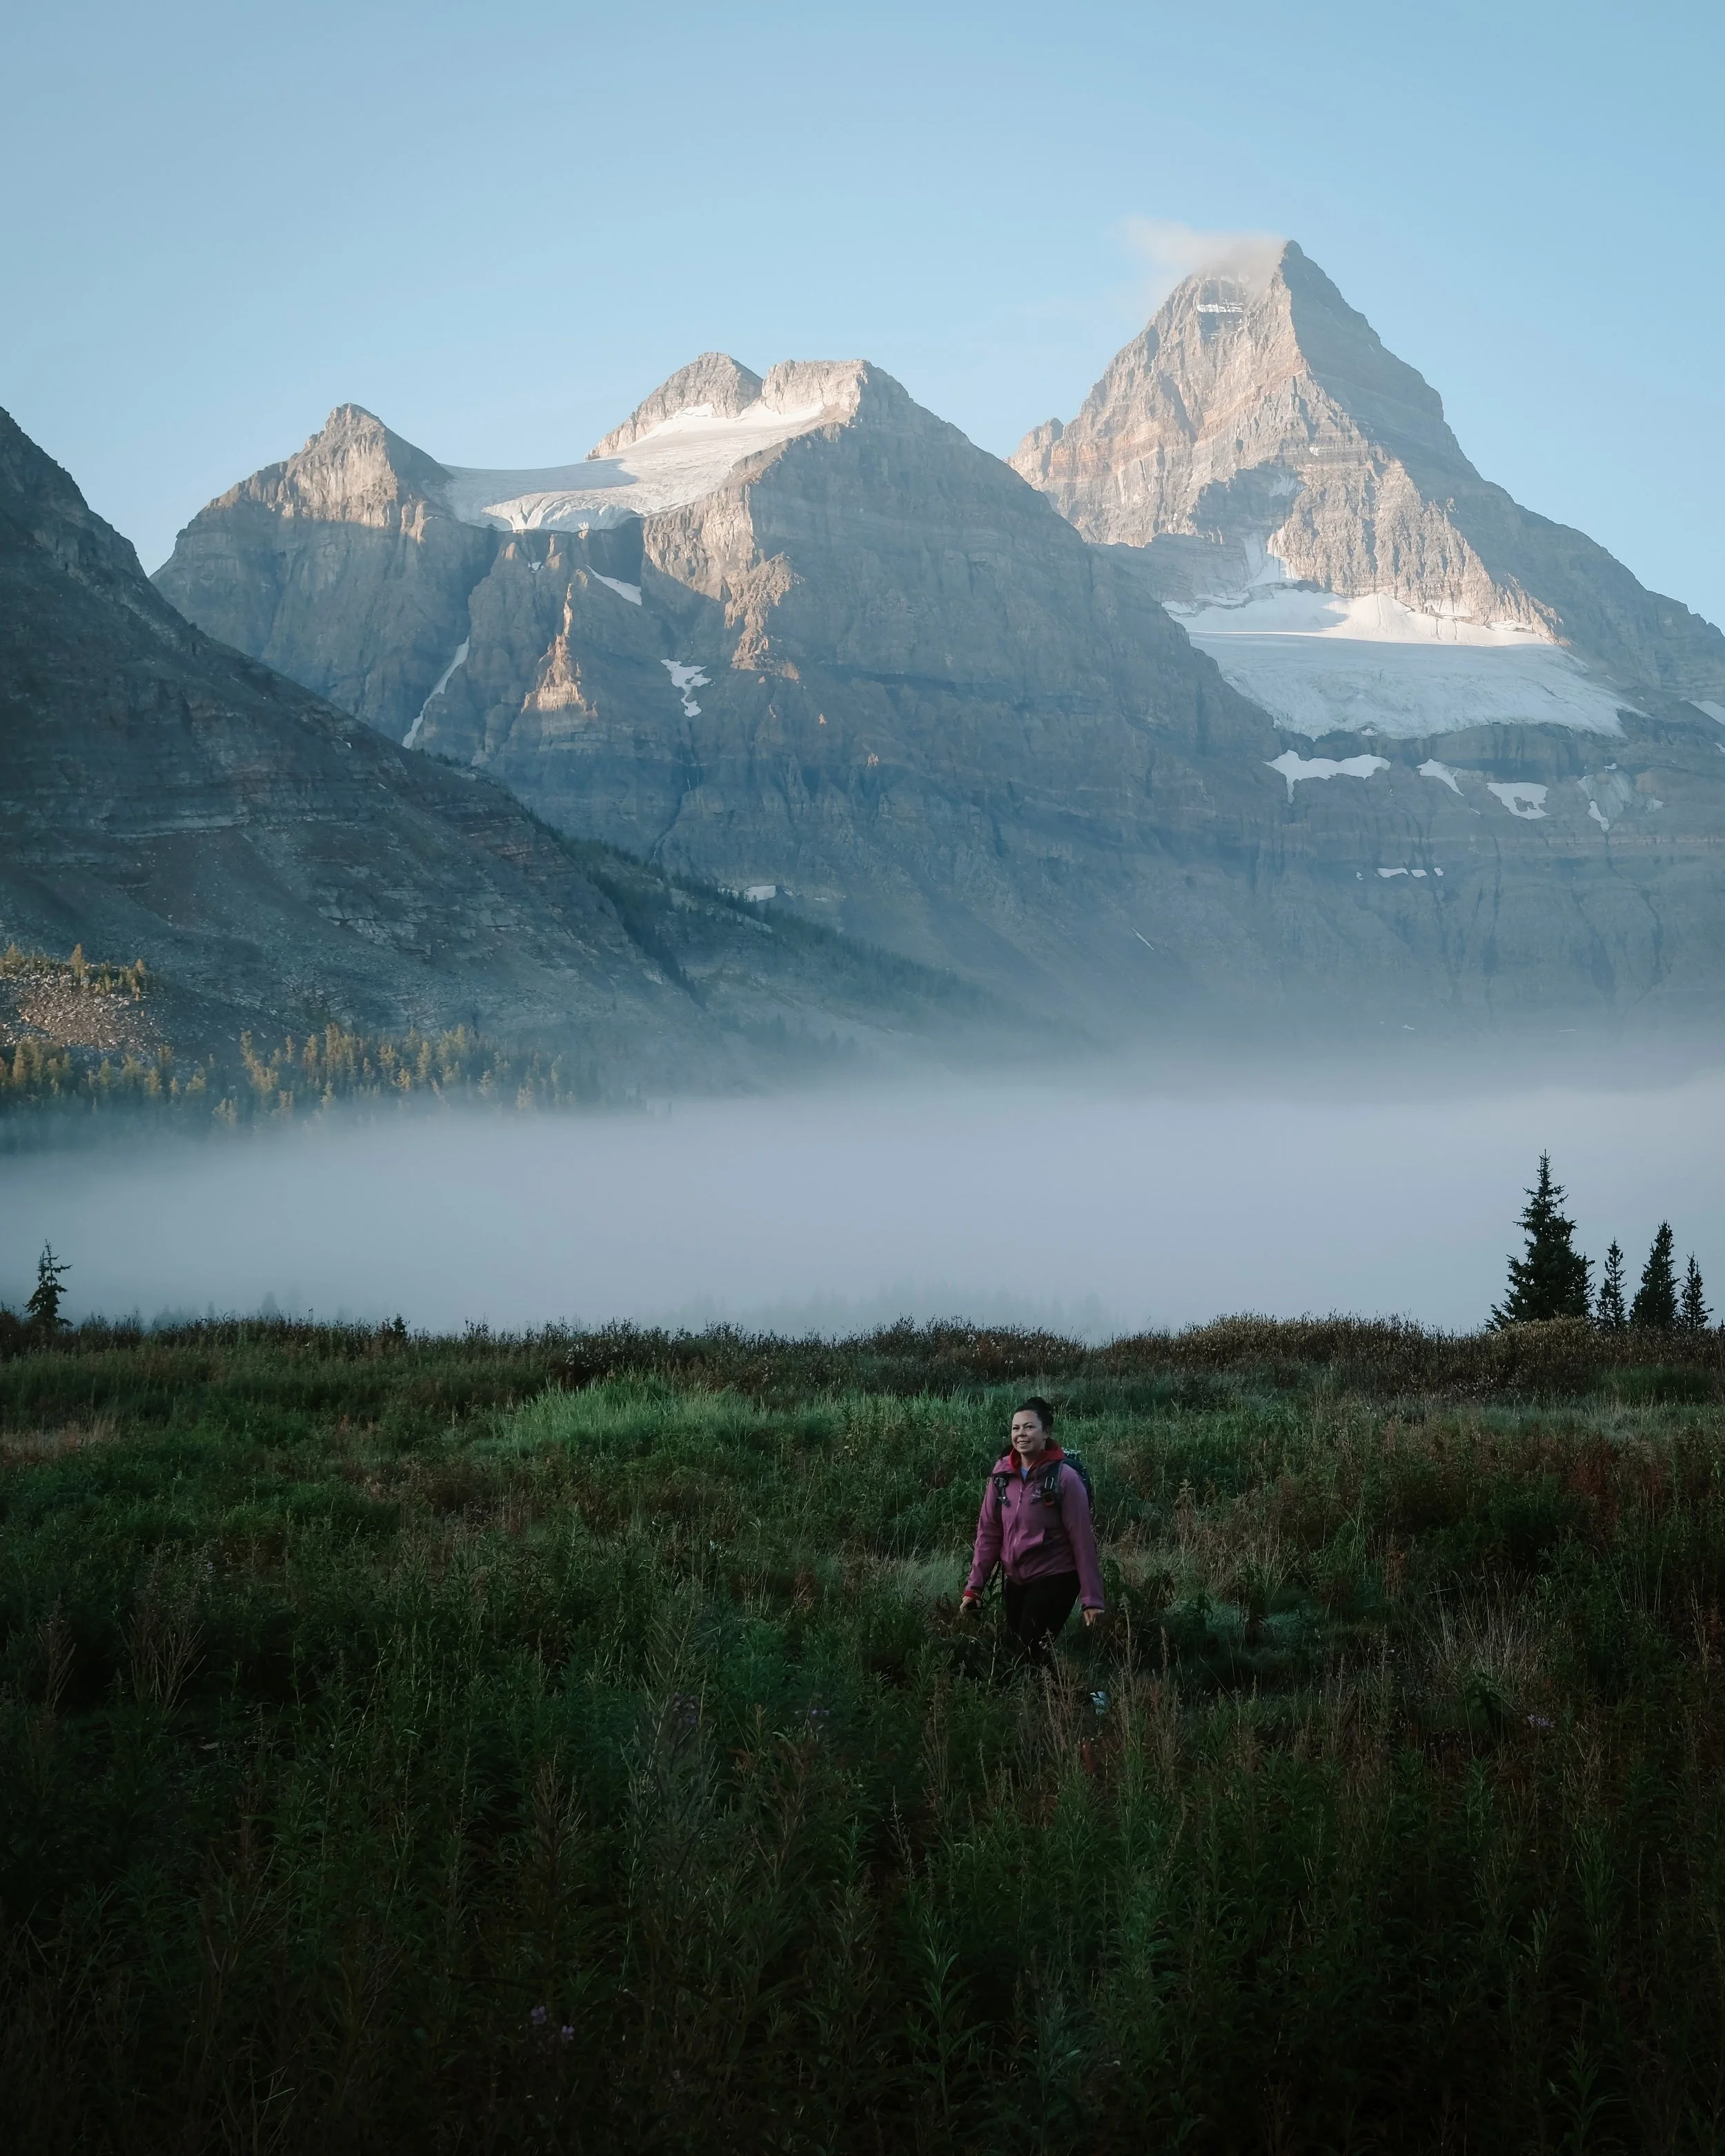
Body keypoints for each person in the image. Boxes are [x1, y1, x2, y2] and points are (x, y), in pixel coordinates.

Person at [958, 1396, 1103, 1667]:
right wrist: (974, 1588)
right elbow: (988, 1535)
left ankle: (1079, 1703)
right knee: (1023, 1654)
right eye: (1015, 1428)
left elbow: (1082, 1540)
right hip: (1016, 1579)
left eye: (1029, 1427)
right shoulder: (1001, 1476)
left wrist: (1091, 1598)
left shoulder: (1064, 1478)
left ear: (1046, 1432)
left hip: (1056, 1576)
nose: (1021, 1435)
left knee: (1030, 1648)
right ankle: (1068, 1702)